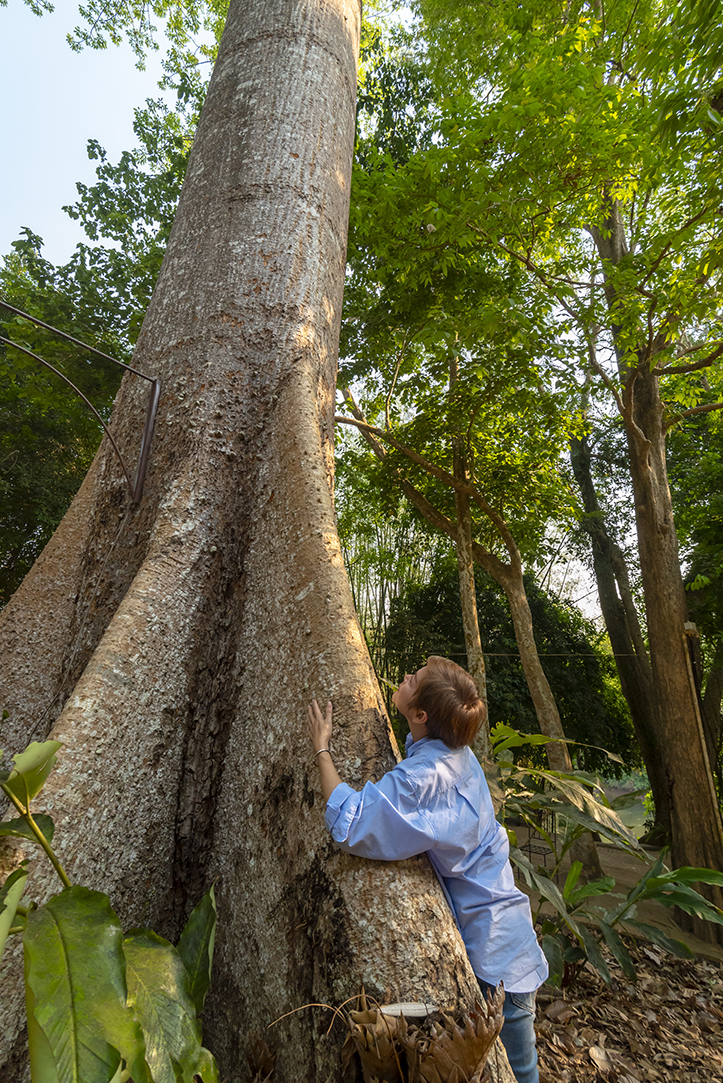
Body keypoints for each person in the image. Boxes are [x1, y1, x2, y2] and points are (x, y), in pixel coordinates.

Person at [307, 655, 547, 1083]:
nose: (403, 676)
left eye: (412, 679)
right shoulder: (456, 751)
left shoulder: (427, 778)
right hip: (510, 937)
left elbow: (352, 822)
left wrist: (322, 748)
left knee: (517, 1073)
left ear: (421, 714)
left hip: (495, 958)